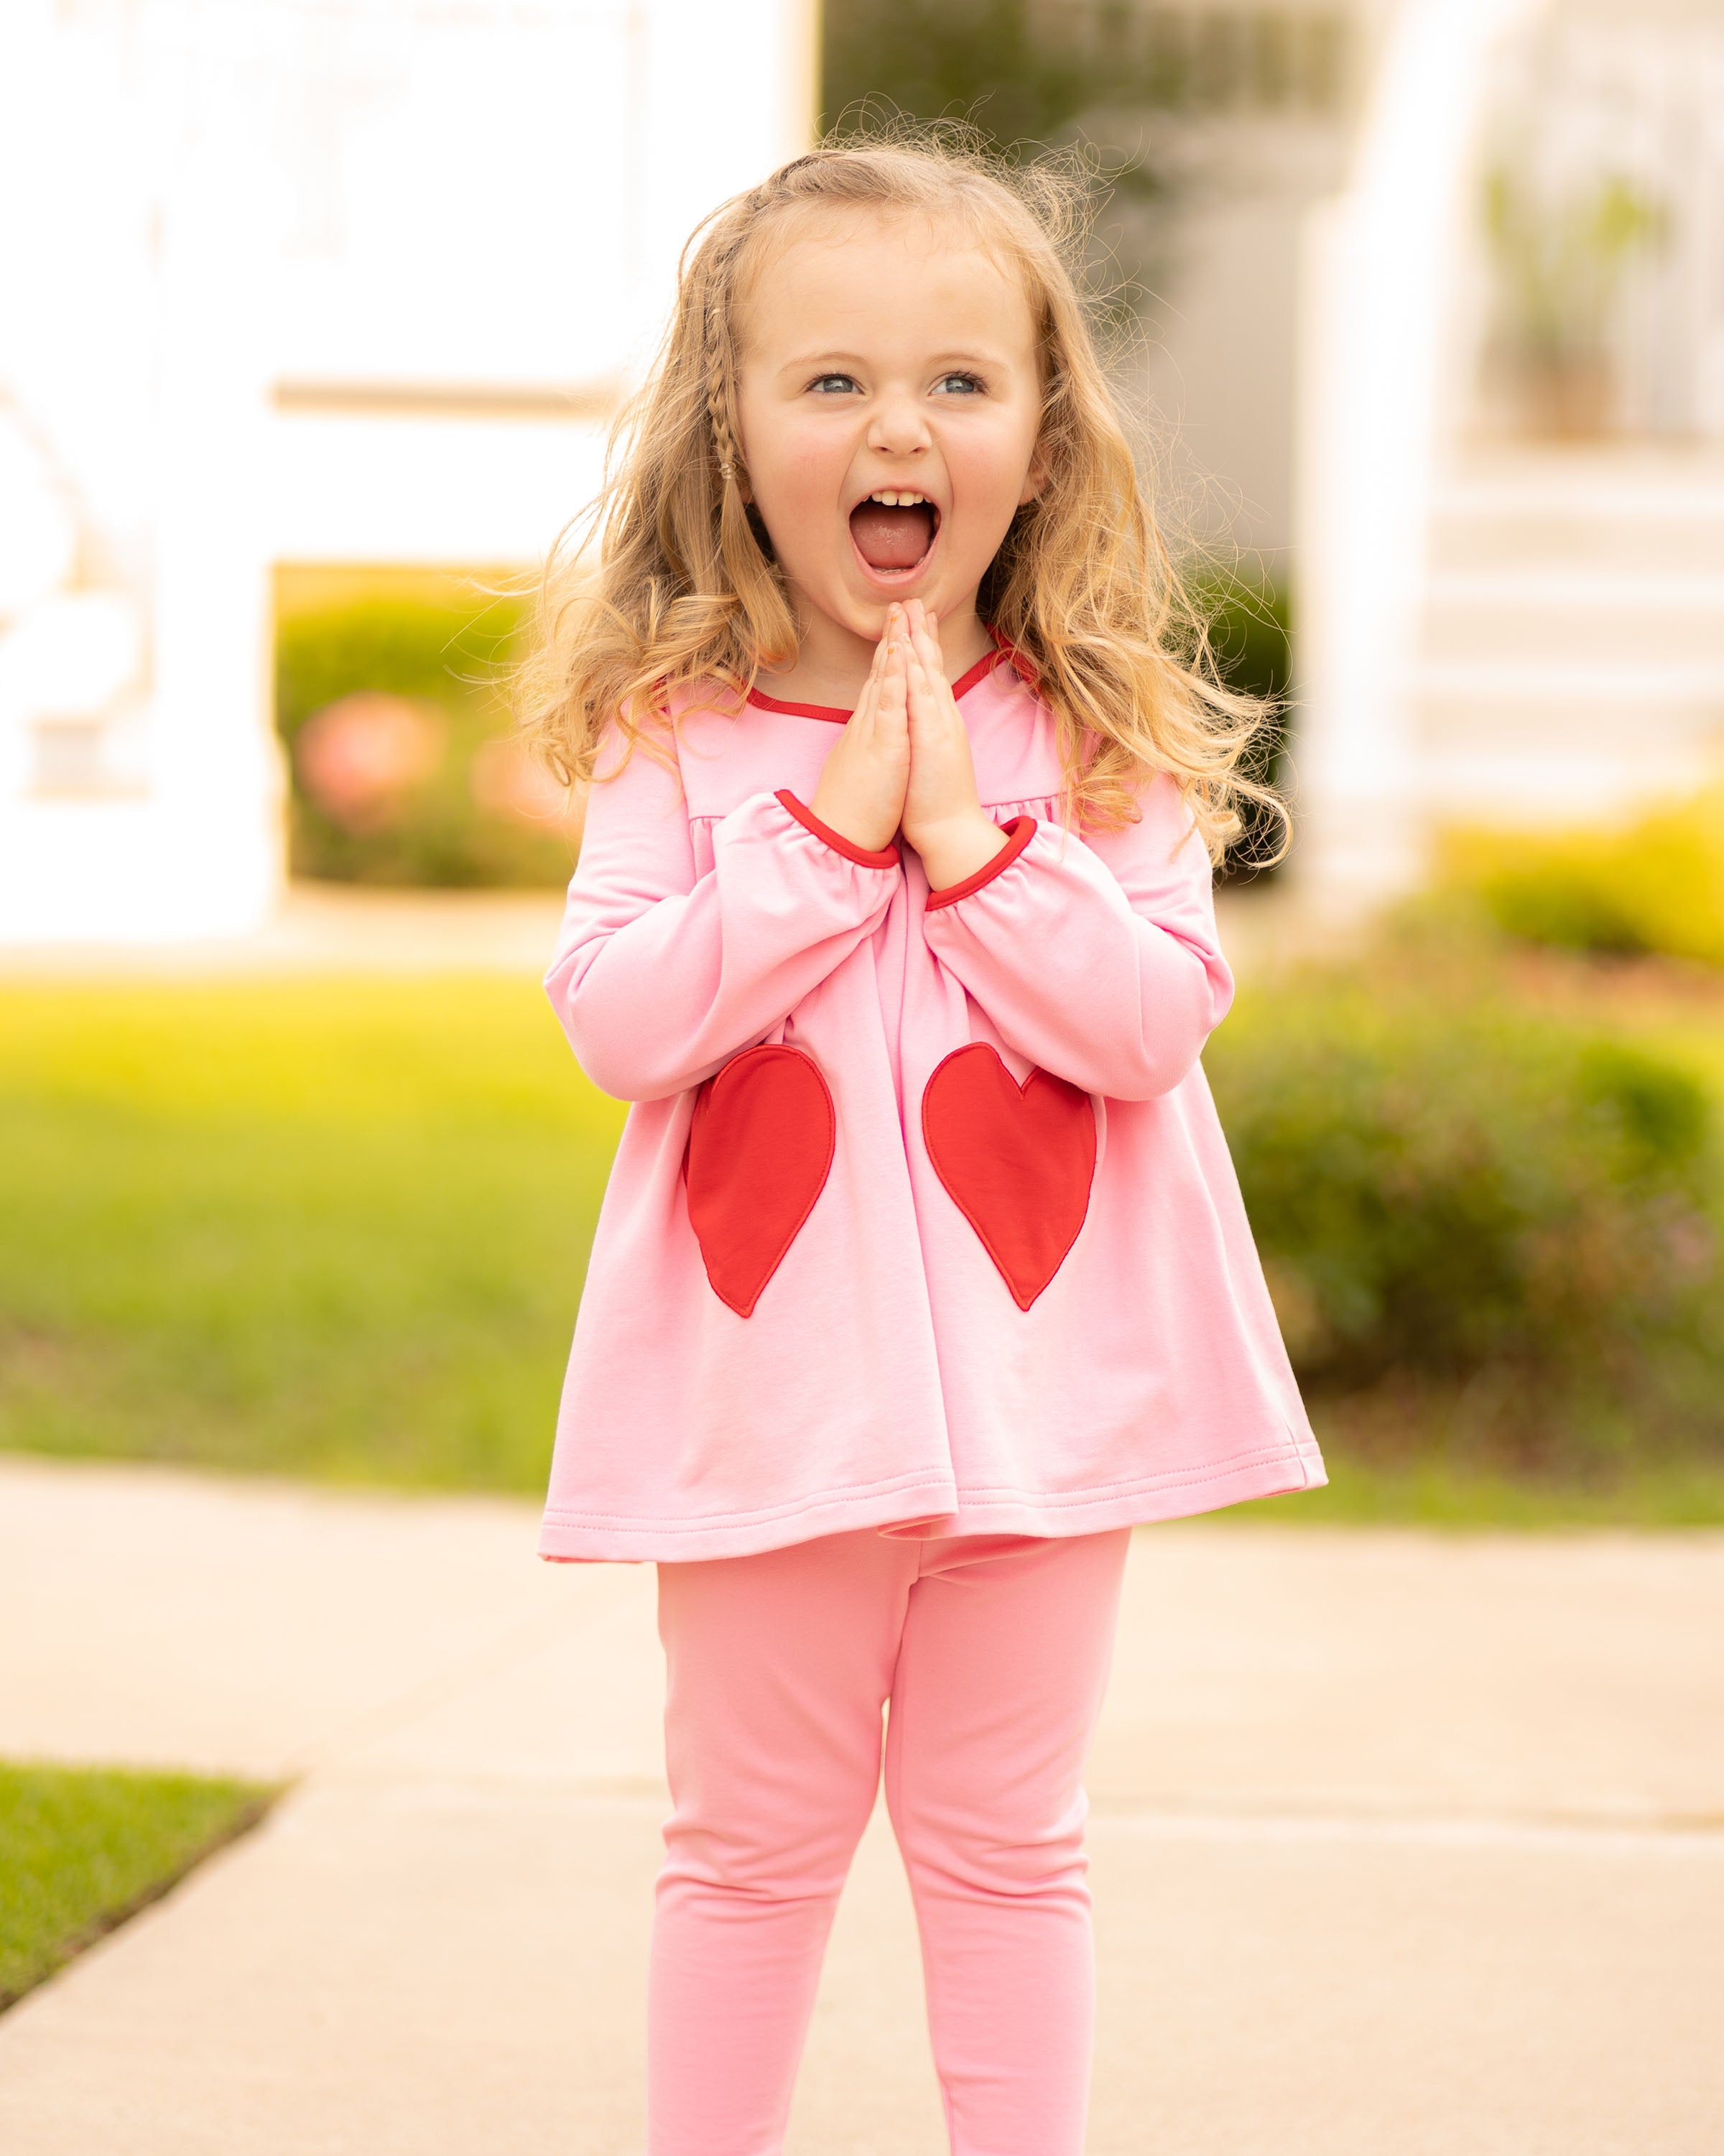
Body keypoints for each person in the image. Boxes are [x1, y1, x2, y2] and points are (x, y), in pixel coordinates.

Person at [520, 132, 1324, 2156]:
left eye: (962, 381)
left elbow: (1147, 1022)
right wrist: (824, 835)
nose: (902, 426)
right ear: (736, 424)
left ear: (1044, 436)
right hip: (772, 1399)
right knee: (749, 1844)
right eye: (835, 380)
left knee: (1006, 1844)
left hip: (1045, 1409)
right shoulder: (677, 731)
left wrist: (969, 841)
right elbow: (625, 1016)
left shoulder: (1103, 724)